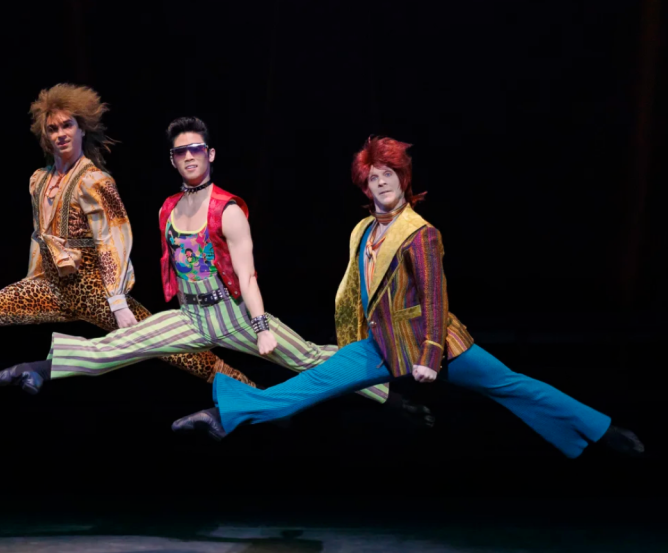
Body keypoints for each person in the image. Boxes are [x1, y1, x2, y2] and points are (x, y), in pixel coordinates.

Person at [172, 136, 644, 459]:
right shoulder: (363, 229)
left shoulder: (419, 233)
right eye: (372, 177)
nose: (381, 182)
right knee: (310, 386)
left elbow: (436, 300)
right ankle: (221, 414)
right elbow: (357, 291)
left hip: (434, 342)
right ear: (364, 184)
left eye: (388, 174)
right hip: (379, 345)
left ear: (402, 177)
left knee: (510, 385)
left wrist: (430, 355)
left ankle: (603, 431)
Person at [0, 85, 252, 390]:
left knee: (173, 349)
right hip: (50, 286)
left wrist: (117, 300)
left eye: (67, 125)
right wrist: (32, 277)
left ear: (81, 128)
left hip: (94, 288)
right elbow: (40, 237)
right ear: (45, 134)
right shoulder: (39, 180)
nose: (60, 134)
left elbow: (115, 238)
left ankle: (249, 390)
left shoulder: (95, 180)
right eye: (53, 128)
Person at [0, 118, 391, 407]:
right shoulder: (168, 209)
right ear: (173, 159)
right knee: (120, 345)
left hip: (234, 314)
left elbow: (247, 276)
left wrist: (261, 327)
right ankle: (40, 368)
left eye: (196, 149)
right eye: (181, 151)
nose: (189, 157)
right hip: (190, 316)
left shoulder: (228, 209)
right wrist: (121, 304)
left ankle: (385, 383)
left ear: (210, 154)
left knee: (305, 356)